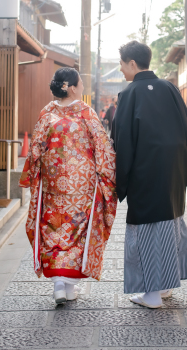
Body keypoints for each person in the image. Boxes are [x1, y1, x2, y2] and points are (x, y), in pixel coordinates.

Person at [110, 41, 187, 308]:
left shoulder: (129, 94)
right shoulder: (169, 88)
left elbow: (122, 141)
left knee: (147, 231)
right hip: (172, 170)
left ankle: (151, 294)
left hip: (144, 172)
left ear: (132, 64)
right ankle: (165, 287)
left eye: (123, 63)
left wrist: (120, 183)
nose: (121, 68)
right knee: (170, 224)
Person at [19, 67, 118, 304]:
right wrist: (108, 174)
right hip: (81, 185)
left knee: (54, 227)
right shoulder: (86, 113)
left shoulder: (47, 112)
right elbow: (102, 146)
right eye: (81, 83)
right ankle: (68, 284)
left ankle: (61, 286)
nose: (82, 86)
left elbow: (35, 149)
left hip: (53, 184)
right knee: (77, 228)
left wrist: (35, 175)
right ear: (72, 88)